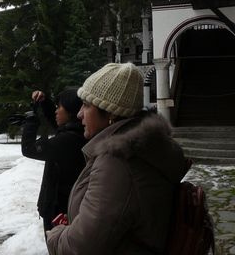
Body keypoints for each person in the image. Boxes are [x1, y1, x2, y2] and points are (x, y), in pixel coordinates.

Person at [46, 63, 187, 255]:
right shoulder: (146, 149)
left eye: (86, 106)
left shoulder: (117, 163)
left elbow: (81, 248)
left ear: (111, 112)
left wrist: (56, 235)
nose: (79, 114)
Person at [21, 89, 87, 233]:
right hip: (67, 206)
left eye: (60, 107)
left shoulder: (68, 140)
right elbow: (57, 122)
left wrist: (31, 121)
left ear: (71, 111)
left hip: (59, 210)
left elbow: (29, 149)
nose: (56, 111)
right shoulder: (78, 132)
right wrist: (45, 102)